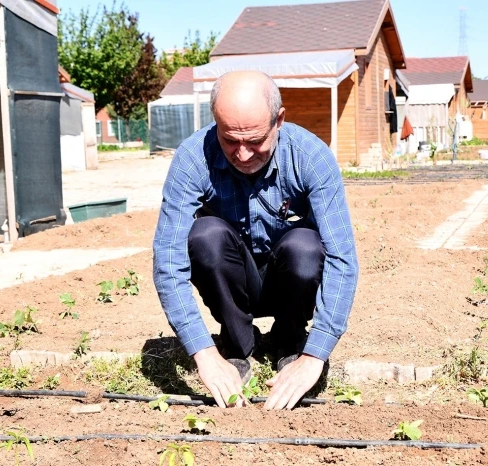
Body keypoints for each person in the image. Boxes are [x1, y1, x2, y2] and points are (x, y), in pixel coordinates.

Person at [153, 70, 358, 410]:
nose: (243, 154)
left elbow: (341, 258)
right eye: (230, 140)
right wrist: (203, 353)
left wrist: (315, 355)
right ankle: (236, 347)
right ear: (215, 121)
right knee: (205, 236)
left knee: (305, 247)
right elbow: (168, 260)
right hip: (234, 279)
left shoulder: (311, 156)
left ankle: (289, 342)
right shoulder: (193, 158)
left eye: (255, 141)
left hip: (288, 279)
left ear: (279, 120)